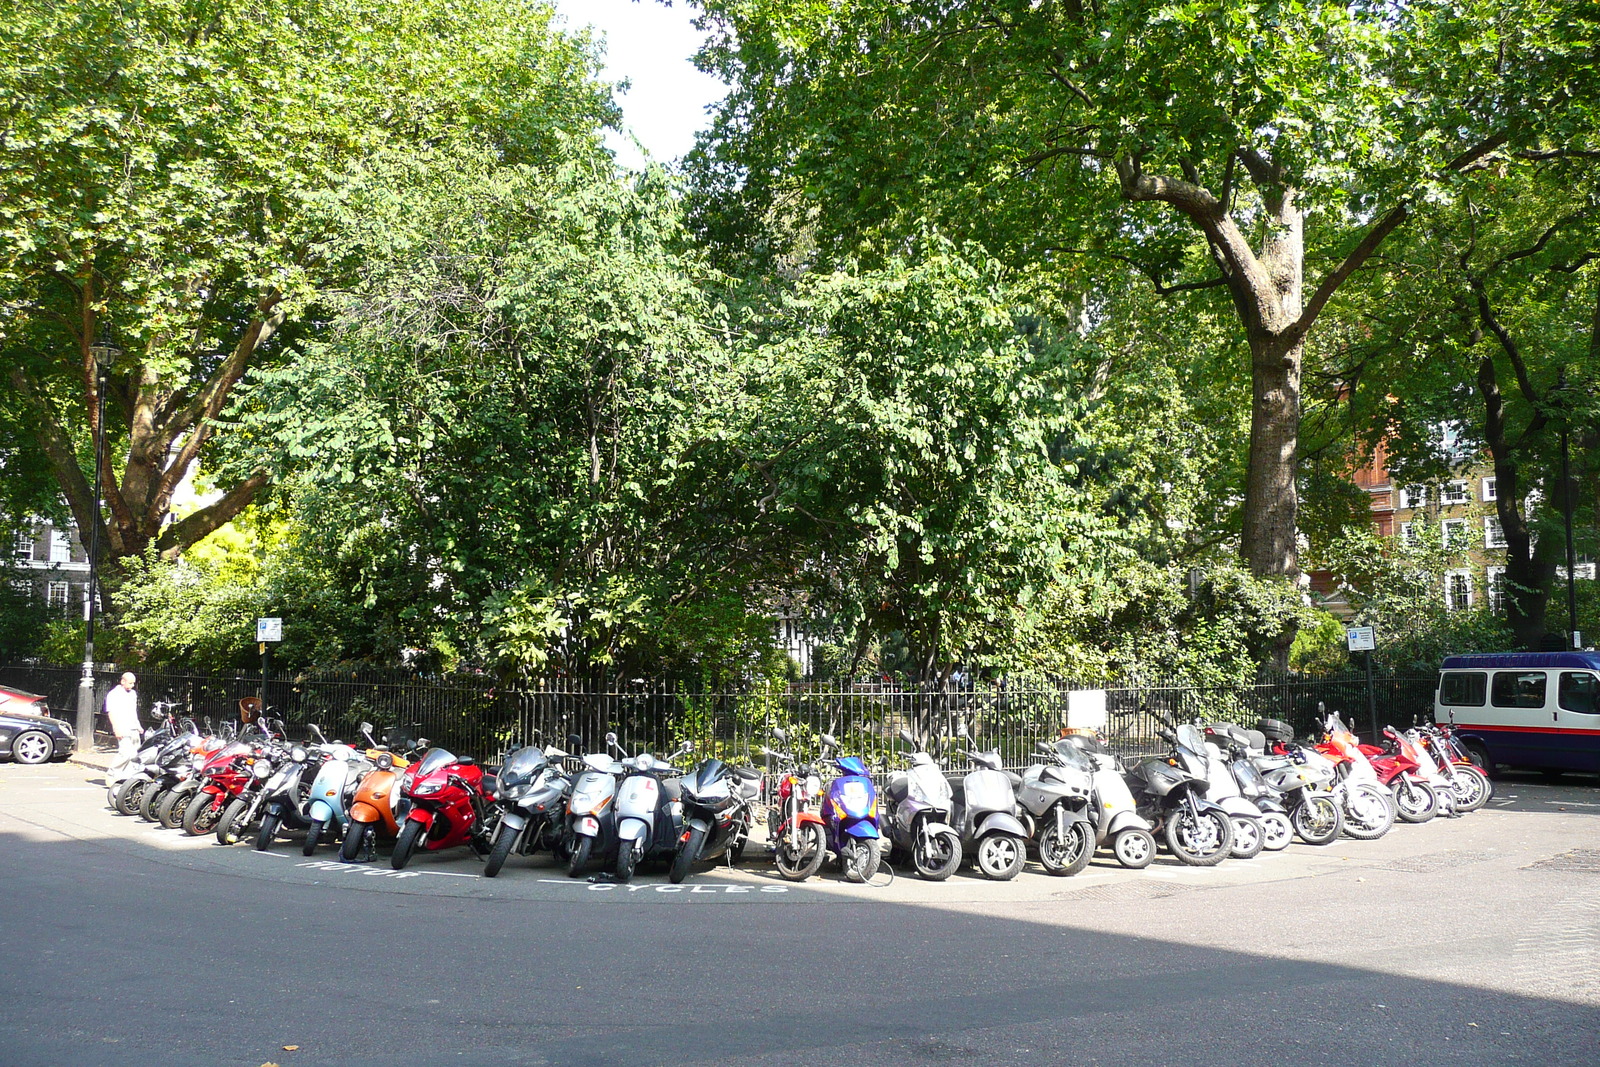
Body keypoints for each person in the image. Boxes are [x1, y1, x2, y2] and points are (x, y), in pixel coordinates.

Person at [105, 672, 141, 758]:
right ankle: (114, 771)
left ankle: (130, 771)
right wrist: (116, 729)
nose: (132, 685)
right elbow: (111, 712)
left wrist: (138, 725)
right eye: (130, 683)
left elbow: (133, 711)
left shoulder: (133, 694)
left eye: (133, 683)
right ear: (123, 682)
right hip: (122, 727)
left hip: (133, 728)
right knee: (124, 753)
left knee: (135, 754)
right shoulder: (114, 694)